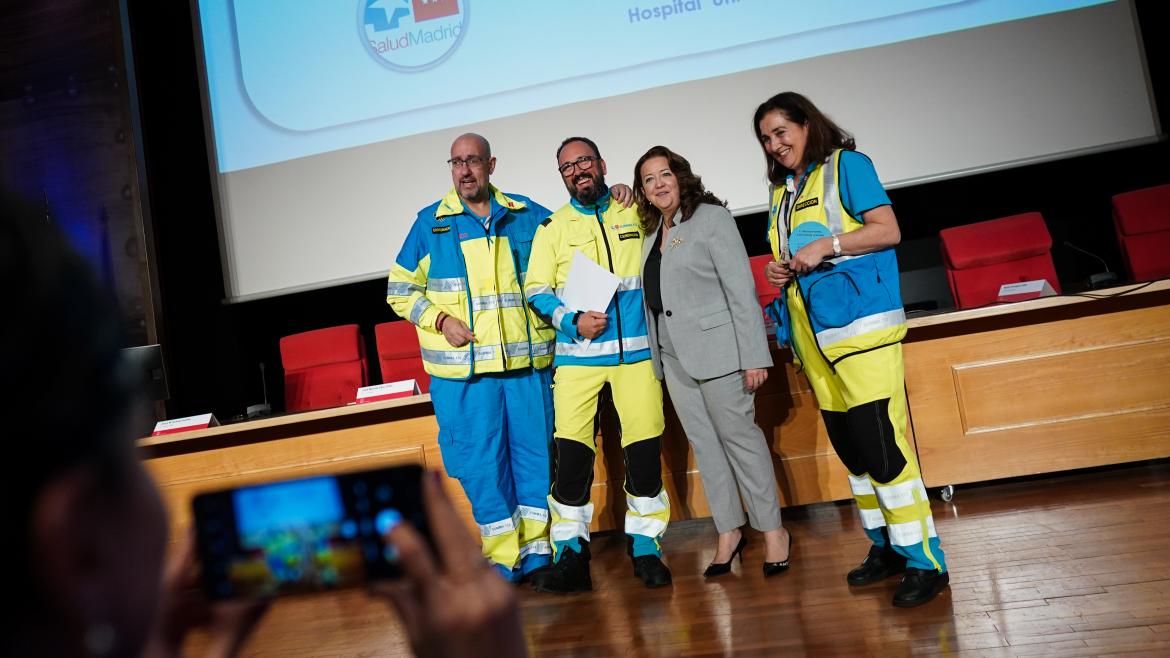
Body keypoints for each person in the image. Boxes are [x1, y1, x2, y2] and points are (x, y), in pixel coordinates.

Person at [2, 187, 530, 658]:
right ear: (79, 543)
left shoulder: (517, 214)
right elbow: (401, 290)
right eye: (130, 457)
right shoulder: (428, 224)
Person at [753, 92, 949, 607]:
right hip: (814, 340)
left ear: (806, 124)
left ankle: (924, 560)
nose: (775, 145)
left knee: (883, 447)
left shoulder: (848, 165)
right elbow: (794, 257)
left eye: (781, 132)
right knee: (853, 452)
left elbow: (889, 230)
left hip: (861, 332)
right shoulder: (783, 192)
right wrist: (782, 267)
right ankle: (884, 546)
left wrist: (828, 247)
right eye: (767, 139)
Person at [385, 133, 558, 584]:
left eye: (473, 161)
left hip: (526, 368)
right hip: (463, 377)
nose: (464, 171)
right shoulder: (430, 224)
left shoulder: (527, 215)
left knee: (535, 459)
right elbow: (399, 291)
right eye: (456, 162)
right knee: (480, 466)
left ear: (491, 164)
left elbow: (576, 241)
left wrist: (618, 198)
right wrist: (440, 320)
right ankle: (503, 556)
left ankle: (538, 553)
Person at [633, 145, 792, 578]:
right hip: (674, 359)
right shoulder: (651, 235)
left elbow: (741, 290)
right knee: (707, 448)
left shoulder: (711, 219)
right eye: (649, 179)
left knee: (741, 441)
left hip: (721, 354)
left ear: (680, 177)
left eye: (664, 174)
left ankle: (773, 531)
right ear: (643, 191)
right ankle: (729, 532)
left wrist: (755, 355)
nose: (658, 184)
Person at [524, 136, 673, 592]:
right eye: (567, 166)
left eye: (584, 161)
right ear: (562, 176)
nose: (577, 170)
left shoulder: (634, 209)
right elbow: (535, 290)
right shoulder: (552, 228)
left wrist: (632, 190)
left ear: (602, 164)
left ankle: (646, 547)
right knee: (570, 462)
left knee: (644, 454)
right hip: (578, 360)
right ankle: (571, 555)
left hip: (638, 357)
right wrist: (569, 320)